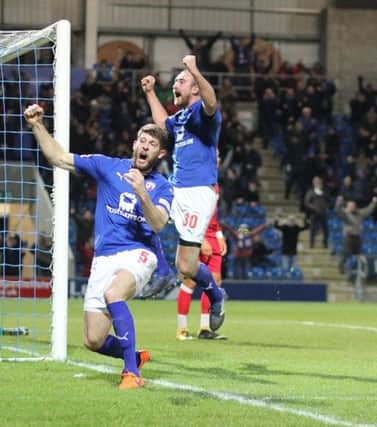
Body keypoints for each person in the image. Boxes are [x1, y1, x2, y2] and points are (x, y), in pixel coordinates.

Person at [24, 103, 173, 389]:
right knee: (93, 339)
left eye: (152, 144)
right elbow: (58, 158)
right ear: (134, 143)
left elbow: (158, 223)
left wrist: (142, 193)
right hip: (104, 257)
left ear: (160, 153)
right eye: (142, 140)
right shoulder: (108, 166)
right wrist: (37, 125)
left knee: (113, 293)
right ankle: (134, 356)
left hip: (138, 253)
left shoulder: (162, 186)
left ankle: (131, 374)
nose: (145, 146)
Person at [141, 54, 225, 331]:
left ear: (195, 88)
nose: (175, 84)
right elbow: (163, 123)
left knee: (188, 268)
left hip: (199, 193)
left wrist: (194, 68)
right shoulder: (181, 118)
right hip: (176, 187)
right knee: (141, 207)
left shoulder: (204, 113)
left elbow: (212, 101)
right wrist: (150, 93)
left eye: (181, 80)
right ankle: (162, 272)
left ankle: (215, 295)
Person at [176, 187, 228, 341]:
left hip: (212, 233)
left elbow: (213, 214)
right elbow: (187, 210)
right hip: (196, 232)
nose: (217, 162)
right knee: (190, 280)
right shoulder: (195, 181)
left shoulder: (215, 183)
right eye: (215, 160)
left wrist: (219, 235)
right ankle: (182, 328)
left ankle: (204, 328)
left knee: (214, 280)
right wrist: (201, 238)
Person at [334, 196, 377, 274]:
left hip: (357, 238)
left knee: (358, 255)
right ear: (347, 207)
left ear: (355, 206)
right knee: (345, 254)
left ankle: (358, 271)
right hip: (348, 238)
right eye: (350, 206)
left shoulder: (360, 213)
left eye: (353, 206)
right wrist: (338, 202)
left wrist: (373, 203)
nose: (352, 207)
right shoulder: (345, 214)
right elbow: (337, 210)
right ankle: (341, 268)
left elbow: (368, 210)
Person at [303, 176, 331, 248]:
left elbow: (329, 200)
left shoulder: (325, 191)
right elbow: (306, 202)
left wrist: (326, 206)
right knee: (312, 229)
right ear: (313, 183)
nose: (317, 183)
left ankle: (325, 244)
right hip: (314, 213)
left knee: (325, 229)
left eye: (318, 181)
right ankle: (311, 244)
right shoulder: (310, 192)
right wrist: (314, 208)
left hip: (323, 213)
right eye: (316, 181)